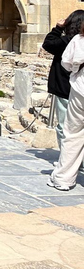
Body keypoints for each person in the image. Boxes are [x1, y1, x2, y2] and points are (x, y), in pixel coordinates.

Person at [48, 27, 84, 191]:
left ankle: (63, 179)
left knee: (72, 134)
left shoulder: (78, 40)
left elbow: (66, 64)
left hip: (80, 89)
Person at [43, 11, 84, 148]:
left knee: (64, 126)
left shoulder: (66, 41)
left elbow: (48, 44)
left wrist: (58, 28)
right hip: (79, 89)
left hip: (64, 89)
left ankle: (65, 159)